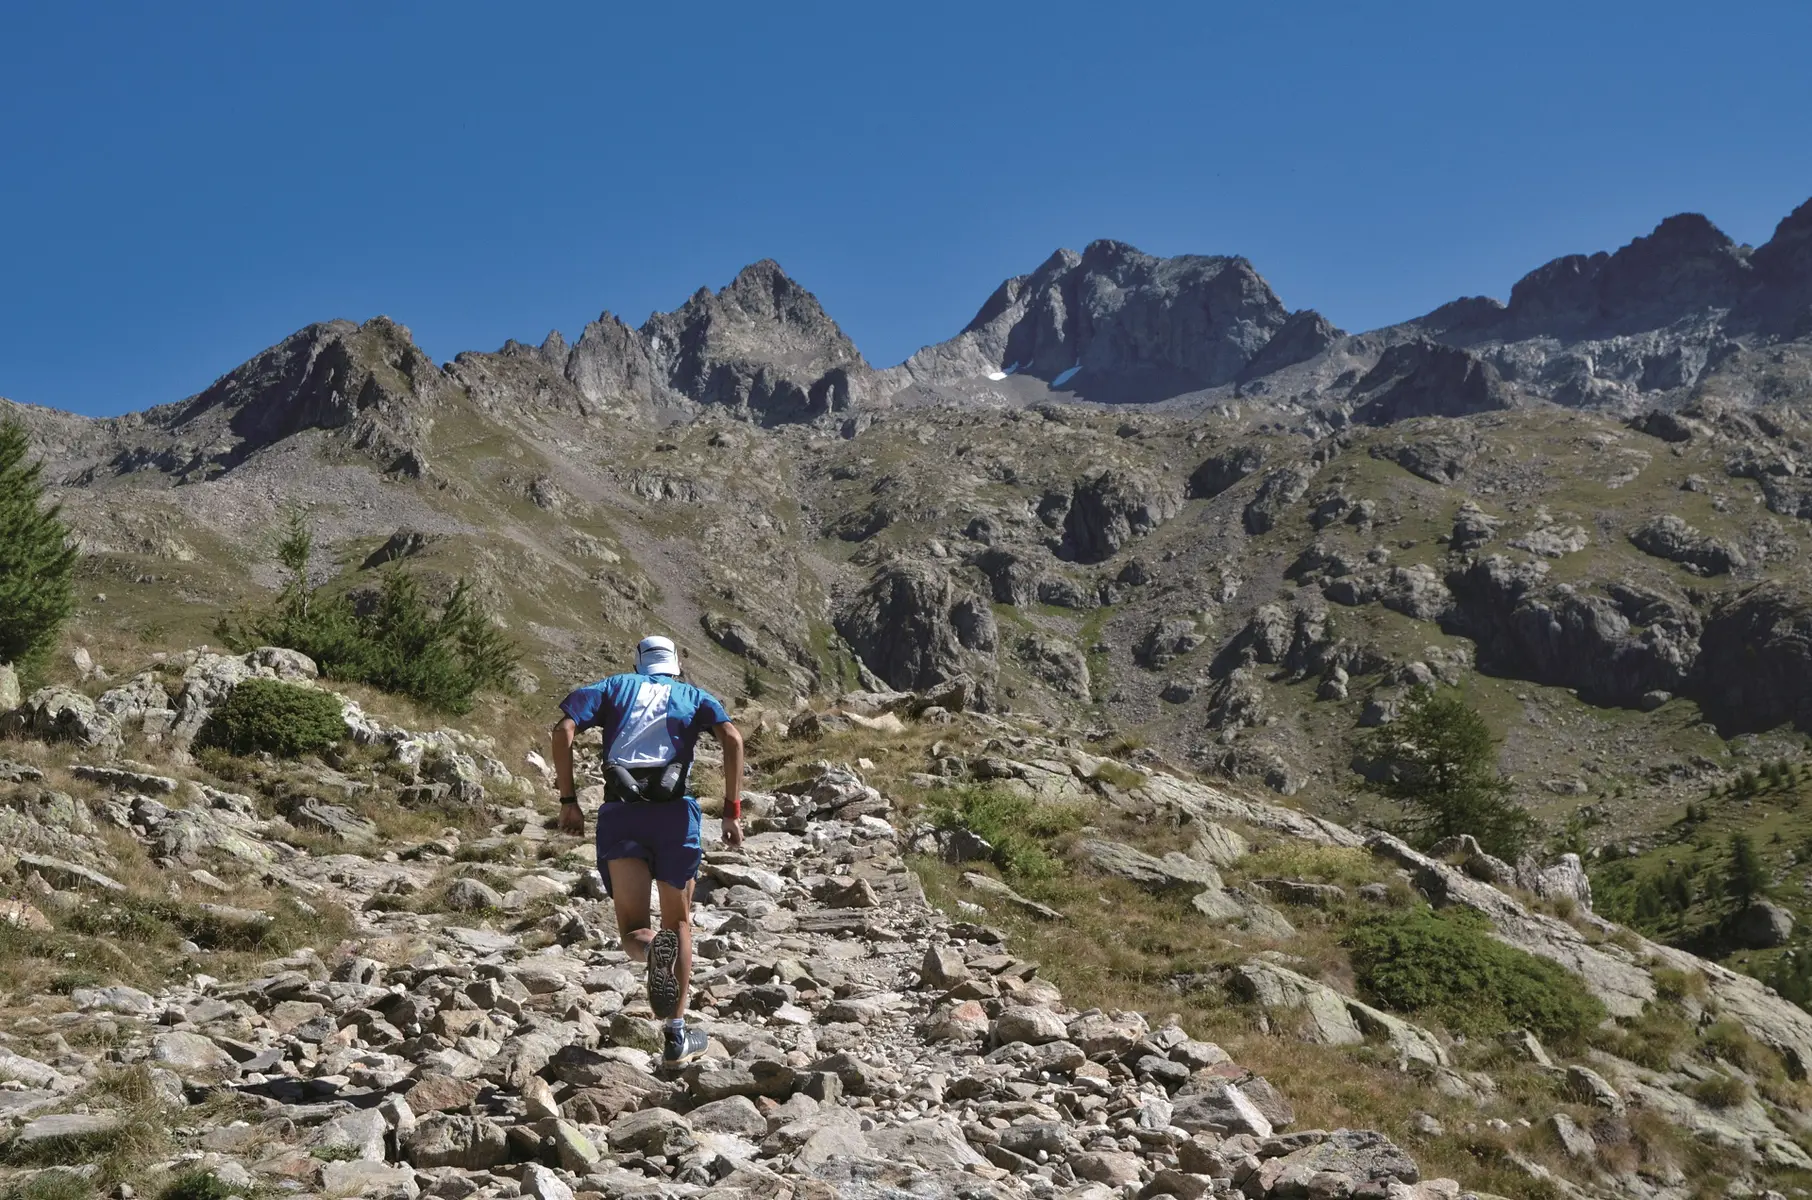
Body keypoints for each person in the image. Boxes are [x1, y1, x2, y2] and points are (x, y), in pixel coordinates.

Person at [550, 634, 744, 1066]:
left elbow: (563, 730)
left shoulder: (612, 687)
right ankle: (676, 1036)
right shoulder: (694, 695)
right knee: (679, 922)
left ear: (638, 663)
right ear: (675, 665)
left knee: (635, 930)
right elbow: (732, 738)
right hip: (676, 815)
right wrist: (732, 811)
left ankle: (653, 950)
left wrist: (568, 800)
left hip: (623, 814)